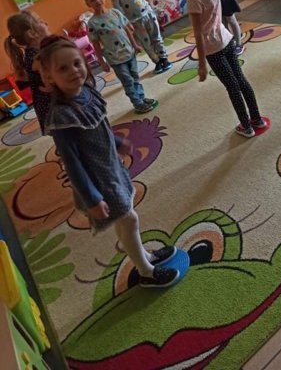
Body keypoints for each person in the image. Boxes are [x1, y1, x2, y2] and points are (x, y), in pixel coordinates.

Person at [38, 35, 179, 287]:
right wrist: (92, 199)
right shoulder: (62, 116)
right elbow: (72, 163)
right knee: (129, 217)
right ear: (49, 77)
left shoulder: (87, 93)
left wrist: (117, 142)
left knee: (124, 216)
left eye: (77, 63)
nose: (74, 71)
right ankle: (146, 271)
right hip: (97, 179)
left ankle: (143, 255)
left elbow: (100, 128)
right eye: (63, 68)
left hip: (111, 167)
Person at [175, 0, 266, 138]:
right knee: (241, 80)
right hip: (227, 39)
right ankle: (256, 119)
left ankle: (246, 127)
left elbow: (199, 34)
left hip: (213, 50)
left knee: (232, 86)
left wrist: (201, 65)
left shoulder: (193, 0)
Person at [82, 0, 156, 114]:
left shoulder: (115, 13)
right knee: (128, 81)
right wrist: (102, 62)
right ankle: (137, 103)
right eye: (93, 0)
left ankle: (141, 97)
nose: (97, 1)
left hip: (129, 52)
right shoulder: (92, 23)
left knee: (135, 77)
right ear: (88, 3)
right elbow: (96, 45)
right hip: (115, 59)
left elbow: (127, 30)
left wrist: (135, 45)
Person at [109, 0, 173, 74]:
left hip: (148, 14)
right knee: (146, 42)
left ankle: (164, 58)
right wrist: (125, 22)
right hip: (135, 21)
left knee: (156, 37)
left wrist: (150, 11)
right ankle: (157, 61)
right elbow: (117, 7)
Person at [4, 11, 50, 133]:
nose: (45, 23)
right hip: (53, 107)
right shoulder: (37, 56)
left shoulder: (35, 52)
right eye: (40, 21)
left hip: (50, 106)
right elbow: (52, 82)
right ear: (31, 33)